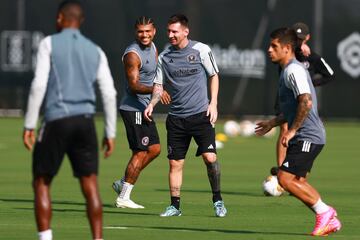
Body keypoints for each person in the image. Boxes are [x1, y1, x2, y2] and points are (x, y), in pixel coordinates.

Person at [22, 1, 117, 239]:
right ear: (81, 21)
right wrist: (110, 132)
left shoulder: (48, 43)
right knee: (90, 185)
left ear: (59, 18)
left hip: (56, 120)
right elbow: (109, 93)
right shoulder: (95, 50)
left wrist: (29, 124)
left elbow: (39, 84)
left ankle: (45, 237)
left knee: (42, 182)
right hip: (85, 123)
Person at [255, 27, 341, 236]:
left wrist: (292, 130)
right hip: (307, 135)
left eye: (274, 46)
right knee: (296, 181)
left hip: (308, 135)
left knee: (284, 179)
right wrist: (273, 123)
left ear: (287, 48)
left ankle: (326, 213)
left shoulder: (293, 70)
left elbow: (306, 102)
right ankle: (328, 216)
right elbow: (294, 108)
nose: (269, 50)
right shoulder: (288, 70)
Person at [144, 14, 227, 217]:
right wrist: (152, 104)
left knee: (210, 157)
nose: (171, 35)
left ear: (185, 31)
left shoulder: (201, 50)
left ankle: (218, 200)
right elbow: (158, 85)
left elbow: (214, 75)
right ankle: (175, 206)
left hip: (201, 115)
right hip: (176, 119)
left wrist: (213, 103)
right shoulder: (164, 57)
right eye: (169, 31)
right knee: (175, 163)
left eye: (175, 31)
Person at [112, 16, 170, 209]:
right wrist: (157, 90)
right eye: (140, 31)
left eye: (148, 31)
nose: (144, 35)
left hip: (144, 108)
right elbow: (134, 85)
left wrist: (158, 88)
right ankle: (124, 196)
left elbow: (156, 74)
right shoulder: (132, 55)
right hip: (132, 108)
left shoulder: (153, 48)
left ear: (154, 32)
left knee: (154, 150)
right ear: (135, 32)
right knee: (140, 151)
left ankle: (123, 182)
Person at [273, 22, 335, 172]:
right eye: (296, 38)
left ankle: (296, 170)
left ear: (307, 38)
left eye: (301, 38)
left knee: (302, 131)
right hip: (287, 97)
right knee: (284, 128)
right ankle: (282, 168)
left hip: (303, 99)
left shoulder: (310, 56)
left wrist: (311, 84)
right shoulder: (287, 53)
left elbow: (330, 75)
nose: (299, 41)